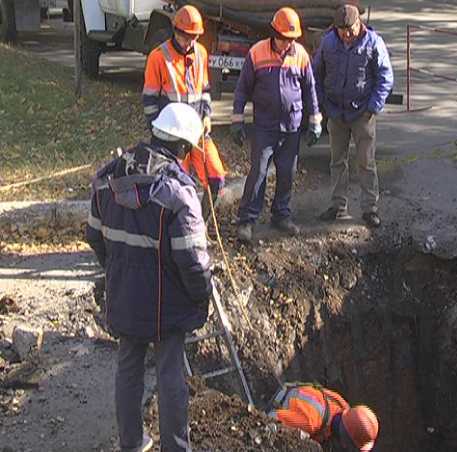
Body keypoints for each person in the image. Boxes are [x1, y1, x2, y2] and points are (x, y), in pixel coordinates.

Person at [85, 103, 213, 452]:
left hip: (124, 293)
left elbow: (95, 236)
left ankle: (131, 443)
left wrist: (117, 271)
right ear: (183, 148)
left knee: (128, 367)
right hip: (165, 304)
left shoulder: (108, 177)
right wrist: (201, 298)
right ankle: (174, 446)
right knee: (171, 373)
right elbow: (192, 262)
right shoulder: (179, 196)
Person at [230, 6, 322, 242]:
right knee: (259, 172)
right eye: (284, 39)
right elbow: (242, 90)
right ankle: (247, 220)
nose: (287, 44)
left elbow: (310, 89)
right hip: (264, 126)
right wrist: (237, 120)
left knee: (287, 173)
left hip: (291, 126)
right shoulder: (257, 53)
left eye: (291, 39)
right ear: (274, 33)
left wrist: (314, 122)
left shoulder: (300, 54)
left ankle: (281, 215)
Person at [143, 4, 227, 219]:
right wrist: (158, 135)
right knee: (174, 186)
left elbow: (205, 90)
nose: (189, 41)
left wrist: (207, 115)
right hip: (171, 137)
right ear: (175, 31)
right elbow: (150, 100)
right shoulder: (158, 57)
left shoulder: (200, 53)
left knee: (216, 178)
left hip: (198, 132)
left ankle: (199, 225)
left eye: (194, 37)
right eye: (185, 36)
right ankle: (173, 230)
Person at [313, 4, 394, 228]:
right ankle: (338, 206)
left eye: (350, 29)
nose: (347, 35)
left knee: (366, 162)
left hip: (362, 113)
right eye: (342, 31)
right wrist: (323, 104)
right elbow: (315, 74)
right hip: (336, 113)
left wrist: (373, 107)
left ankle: (370, 209)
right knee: (337, 161)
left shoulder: (374, 42)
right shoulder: (328, 42)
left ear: (359, 23)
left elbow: (385, 77)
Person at [268, 383, 379, 451]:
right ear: (346, 439)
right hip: (277, 404)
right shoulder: (310, 423)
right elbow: (270, 419)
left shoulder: (342, 406)